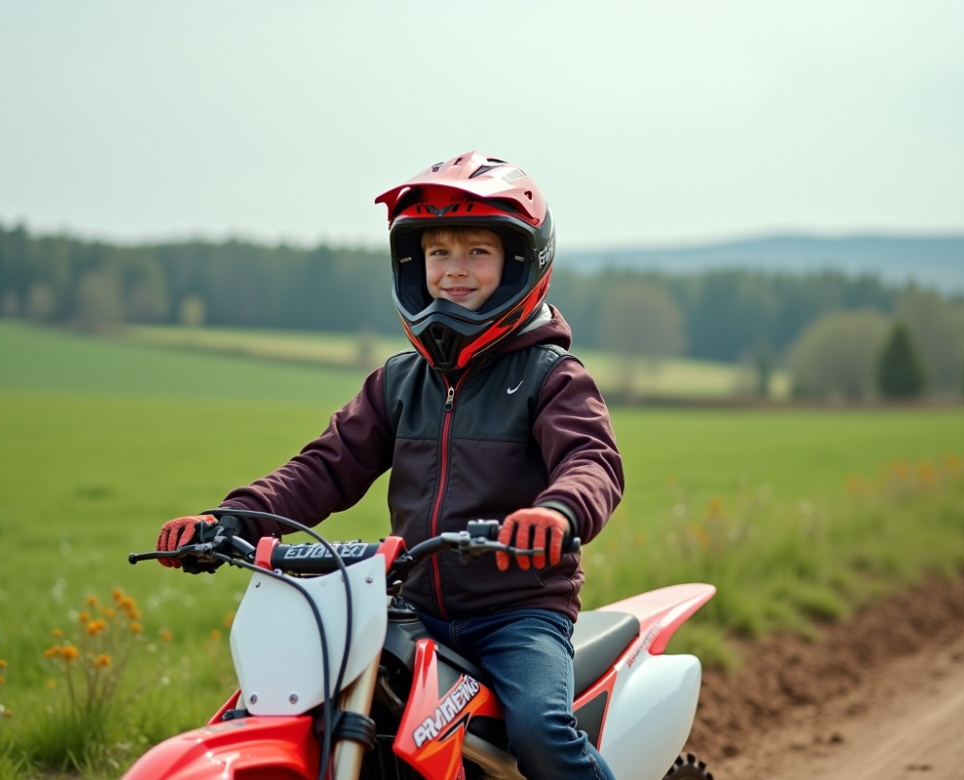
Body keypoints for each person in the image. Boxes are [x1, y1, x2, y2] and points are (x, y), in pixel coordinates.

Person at [156, 151, 624, 780]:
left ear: (520, 264)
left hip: (516, 613)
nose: (454, 271)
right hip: (410, 603)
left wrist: (555, 511)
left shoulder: (551, 376)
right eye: (438, 253)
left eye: (477, 252)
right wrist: (233, 519)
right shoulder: (399, 383)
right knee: (284, 704)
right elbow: (323, 467)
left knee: (540, 730)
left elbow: (592, 460)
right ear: (414, 264)